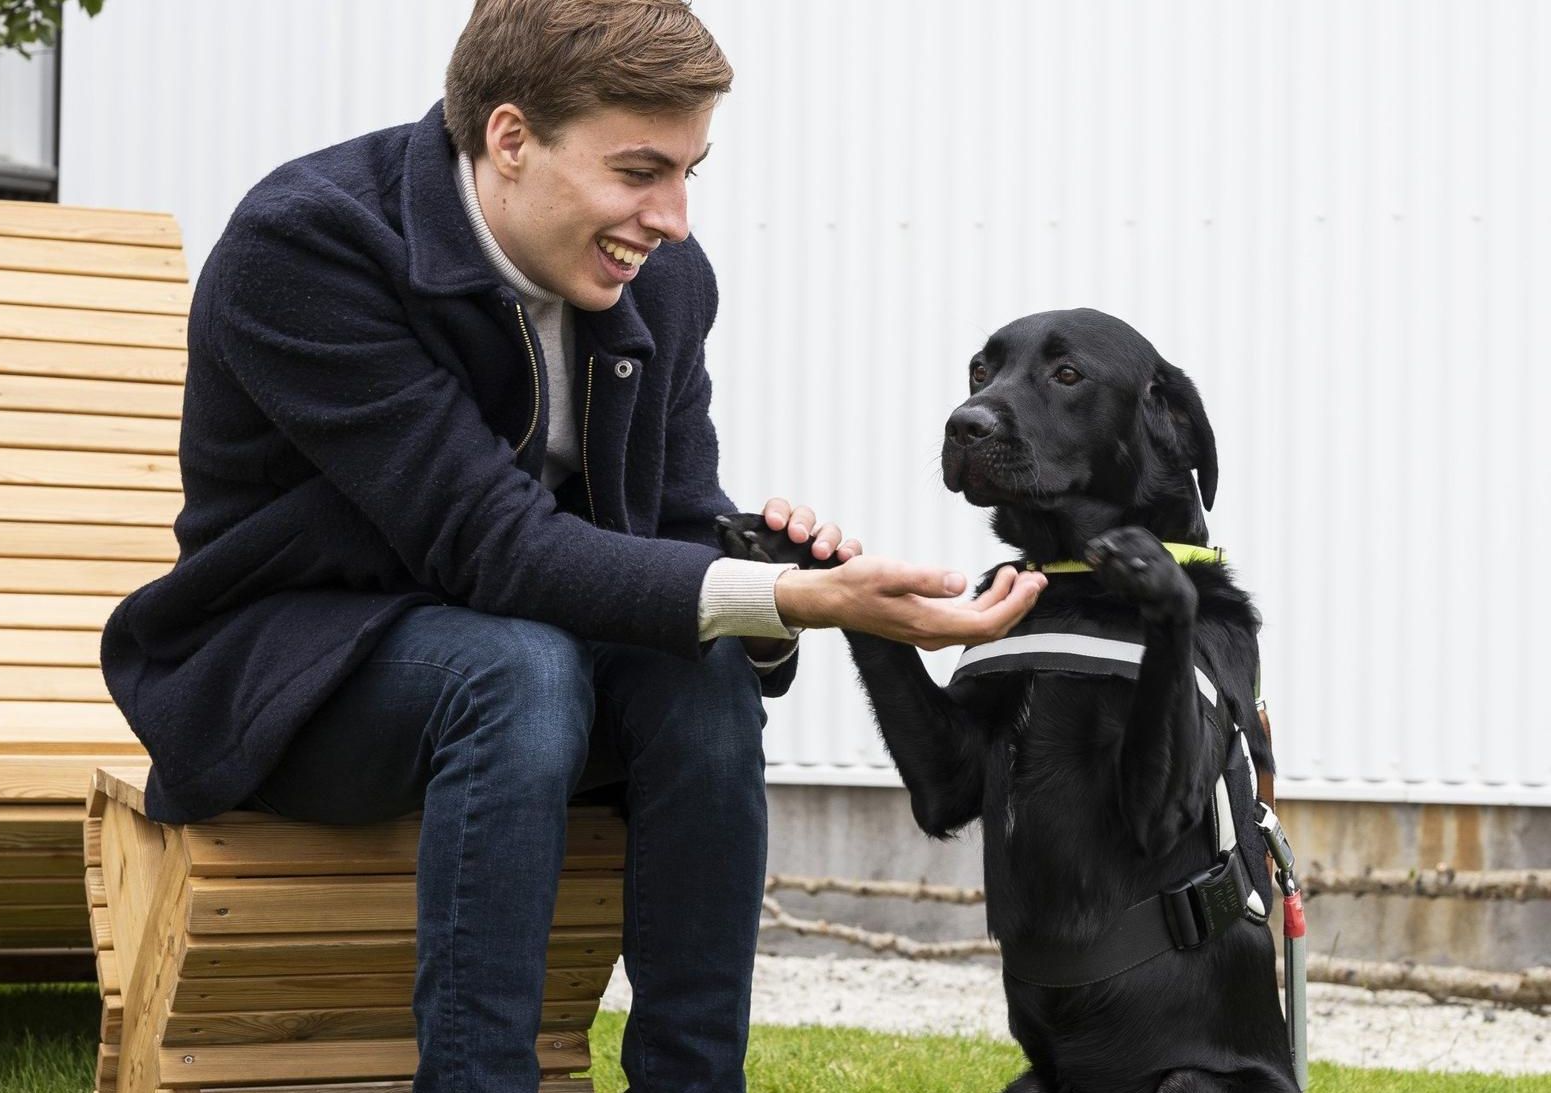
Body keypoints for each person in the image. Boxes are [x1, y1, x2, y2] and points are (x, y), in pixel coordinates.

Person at [100, 1, 1045, 1090]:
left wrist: (783, 584)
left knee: (696, 677)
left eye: (691, 171)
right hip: (283, 678)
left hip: (517, 674)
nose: (673, 217)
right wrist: (787, 599)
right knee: (517, 665)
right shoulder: (309, 244)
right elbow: (490, 544)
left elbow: (674, 529)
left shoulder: (663, 283)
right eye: (640, 170)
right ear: (509, 138)